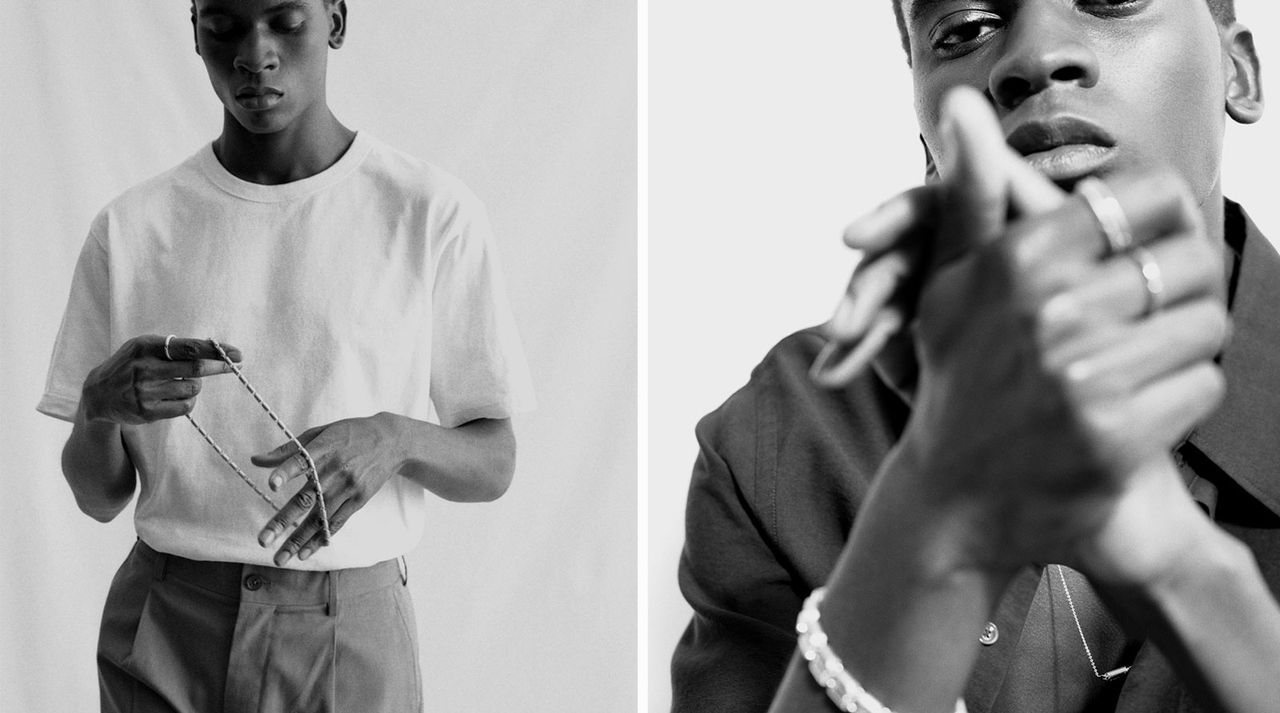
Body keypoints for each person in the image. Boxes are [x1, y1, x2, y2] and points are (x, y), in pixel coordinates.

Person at [672, 1, 1280, 712]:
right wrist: (937, 505)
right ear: (929, 137)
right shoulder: (781, 437)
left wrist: (1193, 579)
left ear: (1237, 73)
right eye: (962, 30)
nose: (1036, 55)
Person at [36, 1, 532, 711]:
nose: (254, 52)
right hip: (166, 624)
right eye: (226, 27)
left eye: (284, 20)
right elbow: (96, 494)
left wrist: (394, 438)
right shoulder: (131, 229)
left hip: (347, 635)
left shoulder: (429, 214)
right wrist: (98, 409)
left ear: (335, 18)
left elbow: (496, 461)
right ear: (195, 30)